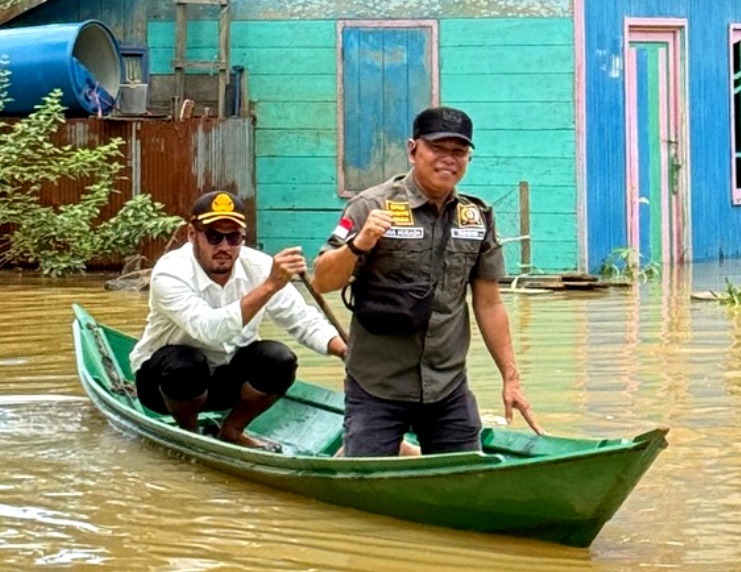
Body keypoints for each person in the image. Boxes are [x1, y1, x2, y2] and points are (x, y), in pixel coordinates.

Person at [312, 106, 543, 457]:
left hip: (446, 385)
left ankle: (407, 454)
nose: (448, 159)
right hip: (377, 384)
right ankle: (357, 450)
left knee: (465, 476)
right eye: (438, 148)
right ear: (412, 149)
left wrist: (511, 378)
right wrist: (359, 246)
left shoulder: (476, 217)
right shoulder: (370, 206)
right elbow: (322, 280)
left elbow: (489, 302)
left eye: (459, 152)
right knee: (364, 480)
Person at [129, 190, 347, 448]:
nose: (223, 247)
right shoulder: (170, 272)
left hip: (225, 383)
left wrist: (345, 350)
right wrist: (268, 287)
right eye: (213, 236)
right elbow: (209, 331)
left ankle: (232, 430)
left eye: (233, 238)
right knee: (186, 364)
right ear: (192, 234)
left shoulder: (259, 266)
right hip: (164, 388)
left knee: (279, 359)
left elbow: (302, 320)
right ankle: (189, 432)